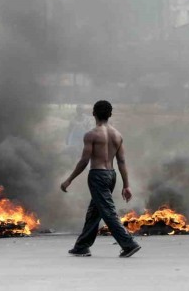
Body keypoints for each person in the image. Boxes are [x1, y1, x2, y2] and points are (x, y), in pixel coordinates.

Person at [60, 100, 141, 258]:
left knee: (107, 211)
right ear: (110, 114)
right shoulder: (117, 135)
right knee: (95, 211)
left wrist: (69, 179)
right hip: (111, 175)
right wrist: (126, 185)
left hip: (97, 175)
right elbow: (122, 162)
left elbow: (84, 161)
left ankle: (128, 244)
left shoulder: (91, 134)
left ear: (93, 114)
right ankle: (82, 246)